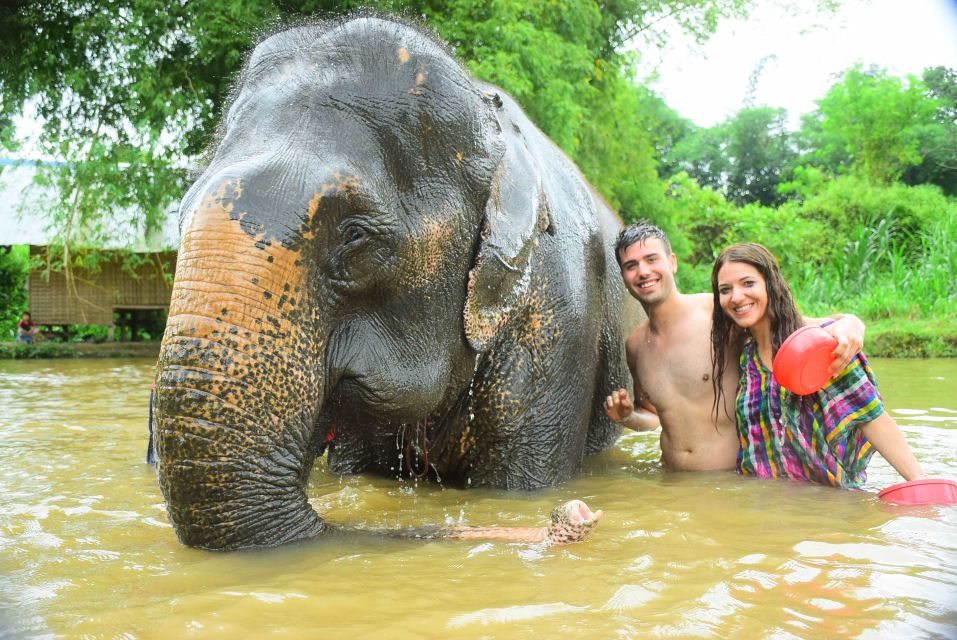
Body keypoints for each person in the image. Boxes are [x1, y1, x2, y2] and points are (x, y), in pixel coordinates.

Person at [604, 221, 864, 471]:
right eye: (631, 265)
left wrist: (851, 323)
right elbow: (654, 416)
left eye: (652, 259)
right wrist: (627, 417)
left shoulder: (717, 313)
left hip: (733, 481)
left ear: (672, 262)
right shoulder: (636, 345)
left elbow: (799, 326)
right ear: (623, 277)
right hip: (671, 485)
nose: (643, 272)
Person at [710, 243, 926, 488]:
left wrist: (920, 482)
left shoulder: (820, 344)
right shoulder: (745, 357)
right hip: (765, 507)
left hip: (829, 507)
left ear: (771, 283)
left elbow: (870, 416)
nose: (737, 297)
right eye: (725, 289)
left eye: (748, 283)